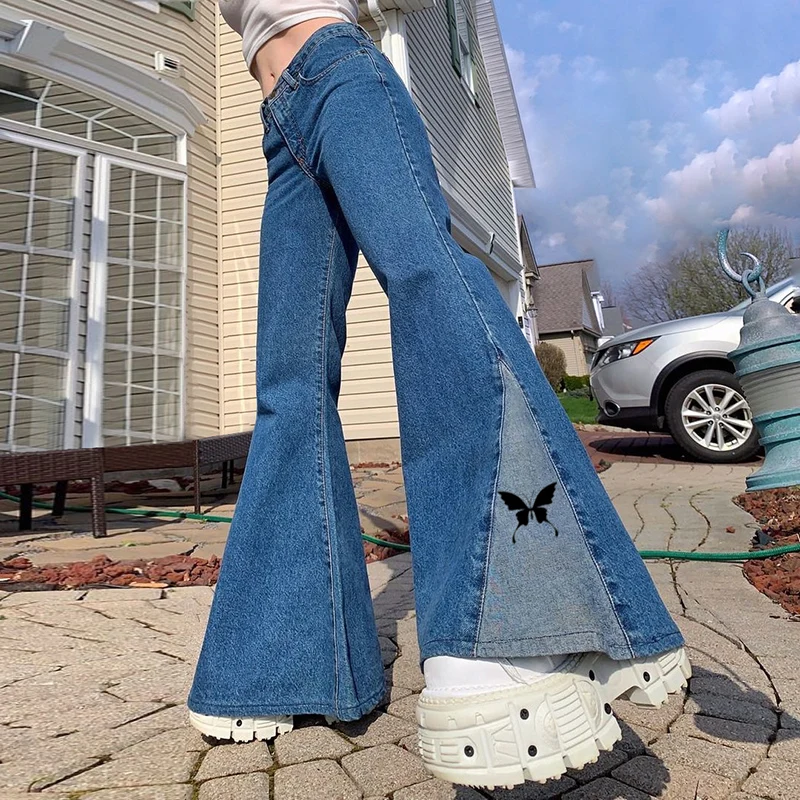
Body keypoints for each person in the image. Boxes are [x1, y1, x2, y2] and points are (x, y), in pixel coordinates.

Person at [187, 0, 691, 789]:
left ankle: (503, 627)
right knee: (288, 385)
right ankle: (282, 659)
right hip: (279, 120)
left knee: (428, 280)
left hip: (341, 72)